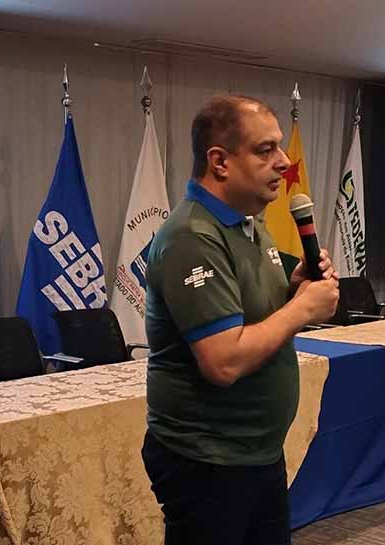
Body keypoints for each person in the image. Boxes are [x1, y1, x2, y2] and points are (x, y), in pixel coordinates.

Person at [141, 95, 340, 545]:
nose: (285, 163)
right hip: (207, 460)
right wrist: (304, 309)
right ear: (220, 162)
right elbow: (223, 360)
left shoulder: (249, 223)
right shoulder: (194, 237)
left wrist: (292, 288)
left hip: (253, 452)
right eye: (265, 150)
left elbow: (251, 316)